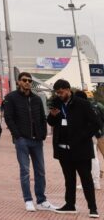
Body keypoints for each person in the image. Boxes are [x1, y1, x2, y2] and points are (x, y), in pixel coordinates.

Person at [3, 71, 57, 212]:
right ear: (18, 82)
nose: (27, 82)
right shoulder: (11, 98)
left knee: (40, 171)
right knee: (25, 171)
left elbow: (42, 118)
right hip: (22, 140)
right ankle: (28, 200)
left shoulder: (37, 99)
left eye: (29, 80)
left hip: (37, 140)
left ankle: (41, 201)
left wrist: (43, 134)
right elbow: (8, 118)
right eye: (24, 80)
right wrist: (17, 135)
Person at [46, 79, 99, 216]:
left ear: (68, 90)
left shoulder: (82, 104)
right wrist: (52, 115)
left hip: (81, 149)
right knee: (69, 179)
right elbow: (51, 122)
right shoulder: (56, 103)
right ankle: (70, 205)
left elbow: (95, 123)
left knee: (86, 179)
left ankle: (93, 208)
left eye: (61, 92)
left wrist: (82, 137)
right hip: (63, 149)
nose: (59, 95)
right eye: (57, 93)